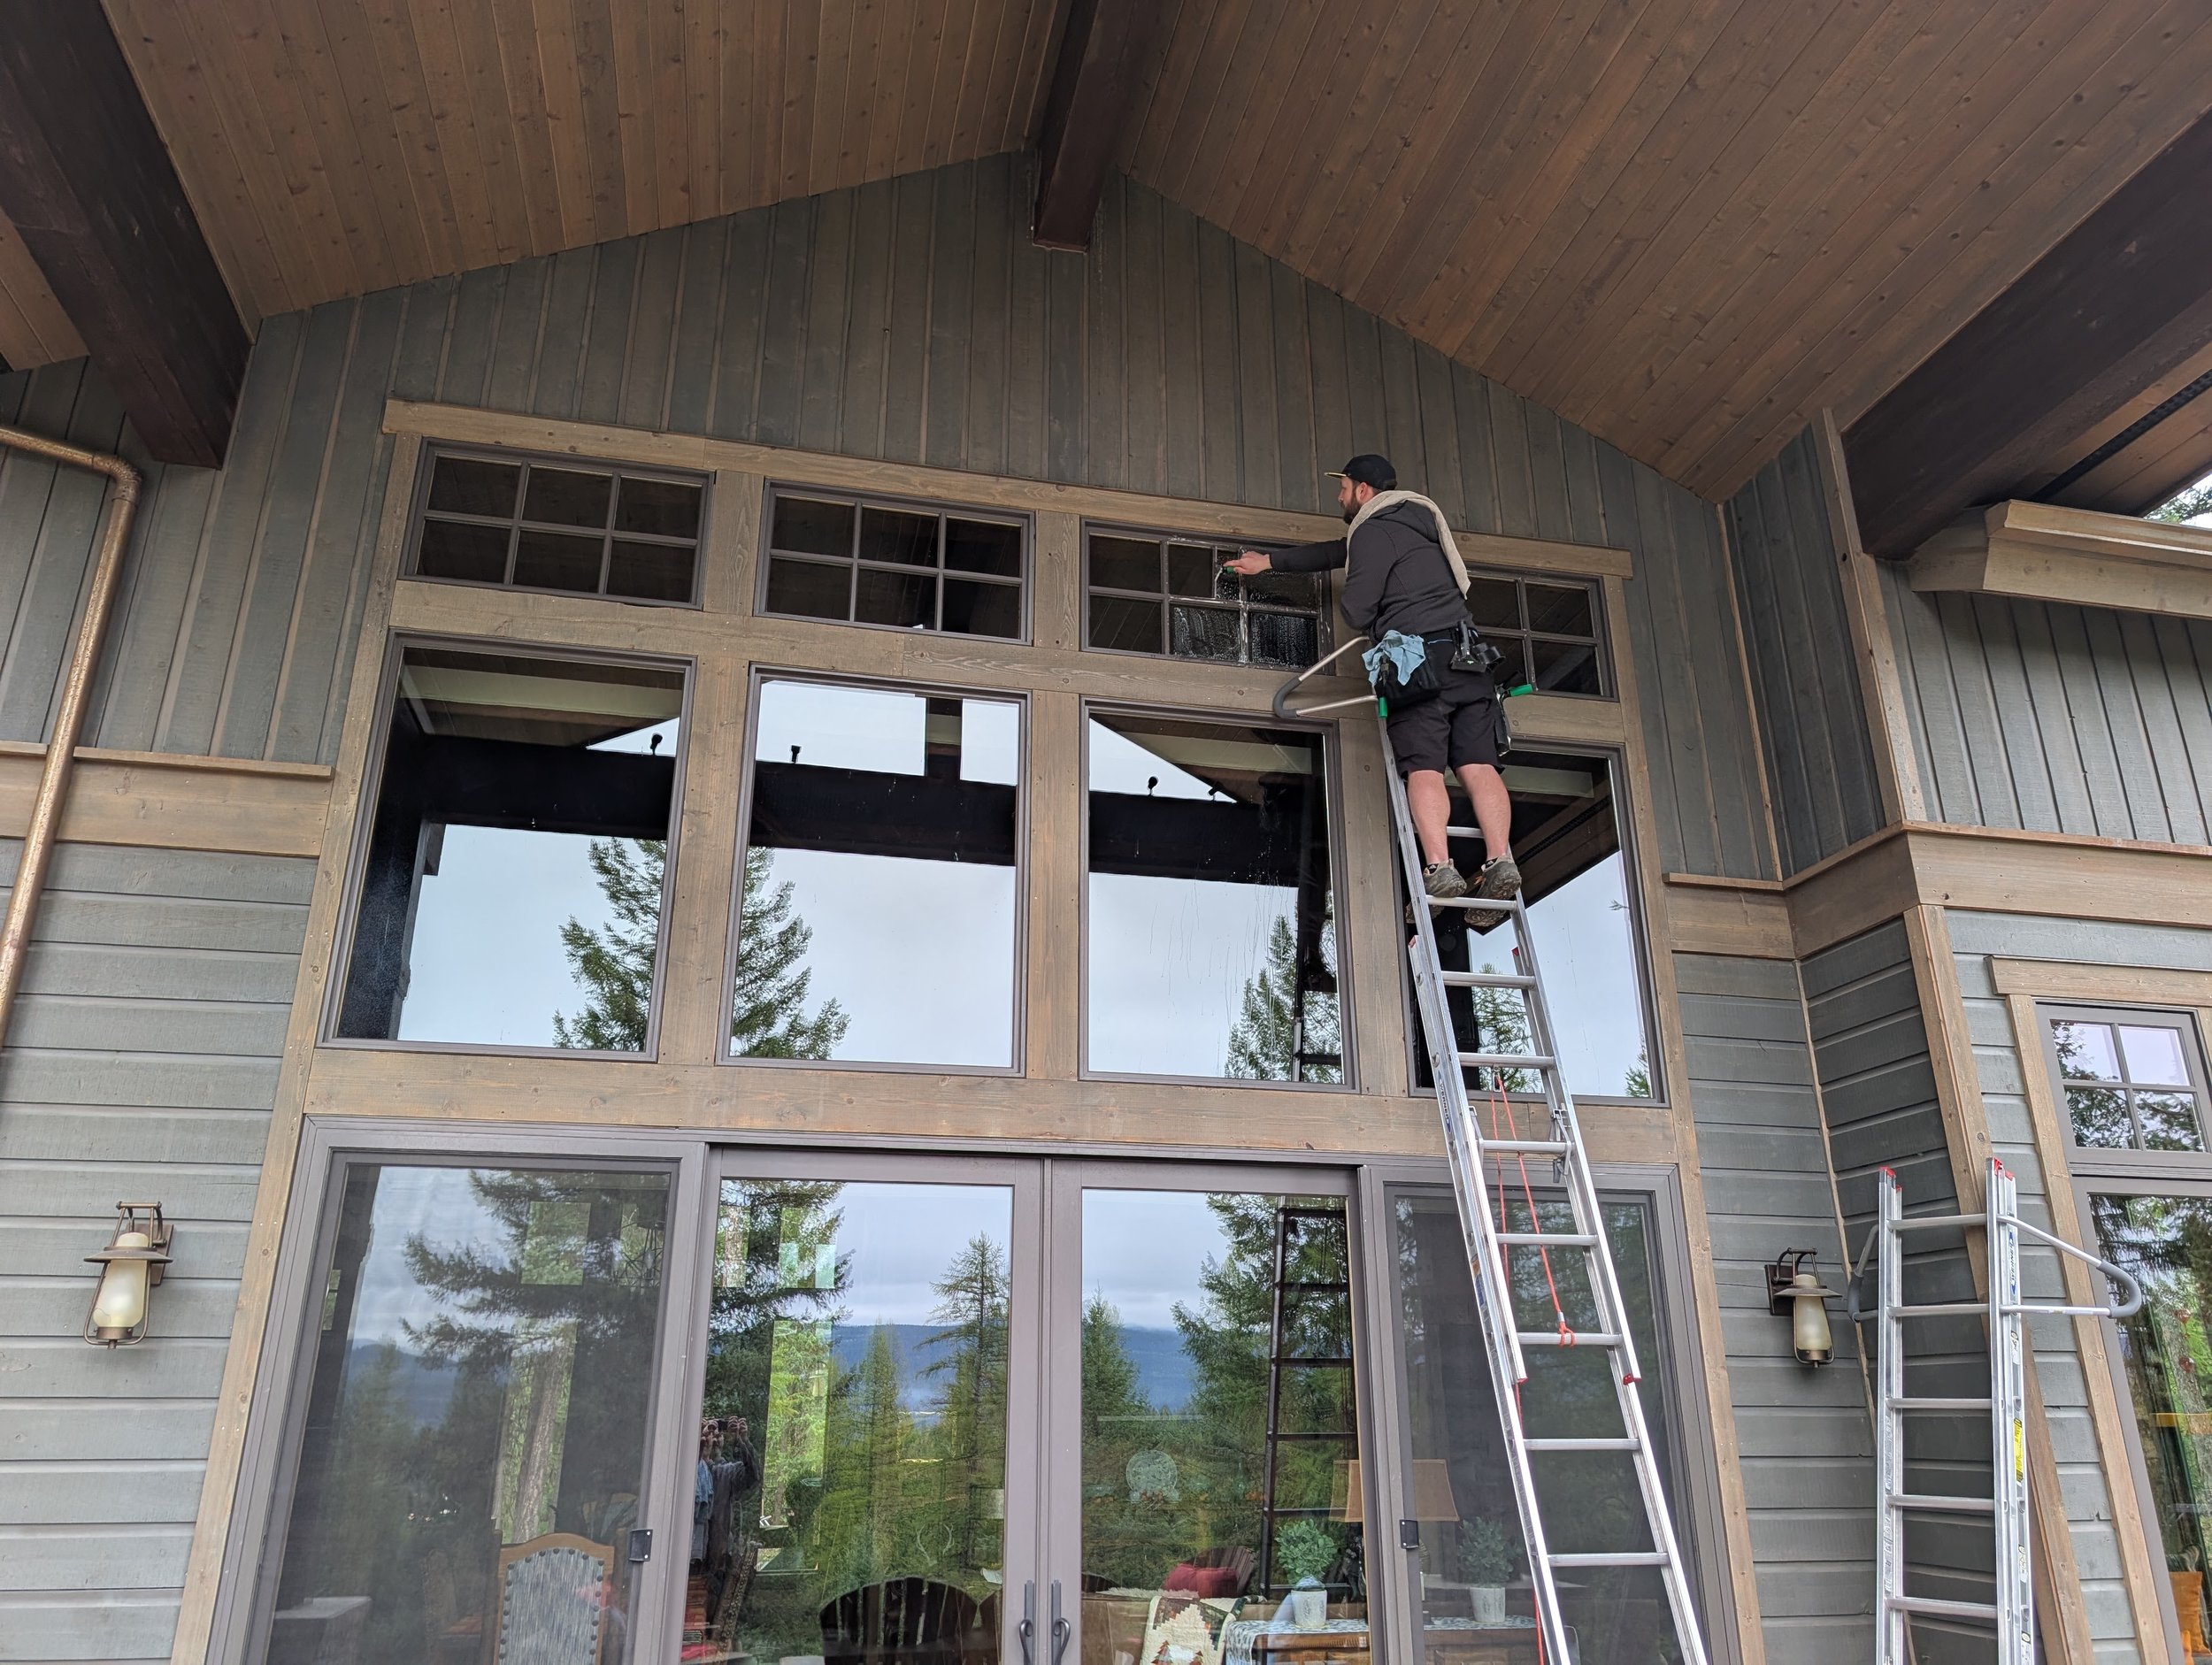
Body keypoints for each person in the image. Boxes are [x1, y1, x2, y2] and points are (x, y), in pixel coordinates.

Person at [1225, 454, 1518, 902]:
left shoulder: (1371, 531)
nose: (1339, 496)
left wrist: (1364, 605)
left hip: (1419, 667)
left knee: (1424, 767)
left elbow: (1357, 609)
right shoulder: (1415, 523)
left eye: (1342, 487)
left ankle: (1440, 867)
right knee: (1477, 765)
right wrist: (1269, 561)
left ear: (1363, 490)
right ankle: (1501, 859)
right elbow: (1336, 552)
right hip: (1468, 657)